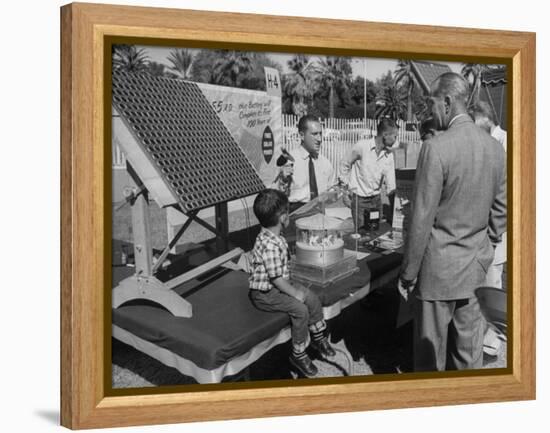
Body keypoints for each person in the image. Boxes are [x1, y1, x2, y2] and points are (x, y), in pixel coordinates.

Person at [398, 72, 507, 372]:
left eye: (432, 104)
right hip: (474, 270)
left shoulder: (436, 147)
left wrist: (408, 274)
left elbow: (421, 218)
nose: (430, 112)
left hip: (436, 274)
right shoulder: (495, 148)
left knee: (430, 361)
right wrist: (485, 252)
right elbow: (500, 211)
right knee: (467, 359)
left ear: (446, 102)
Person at [248, 189, 335, 377]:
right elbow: (276, 279)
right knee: (300, 309)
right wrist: (295, 294)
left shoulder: (273, 236)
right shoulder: (269, 245)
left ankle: (318, 337)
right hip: (265, 294)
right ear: (282, 217)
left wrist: (300, 292)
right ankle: (298, 353)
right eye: (288, 212)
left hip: (281, 284)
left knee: (311, 297)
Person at [339, 117, 397, 232]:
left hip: (376, 200)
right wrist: (345, 191)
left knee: (375, 233)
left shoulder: (389, 155)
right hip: (359, 200)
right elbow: (345, 164)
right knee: (361, 236)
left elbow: (391, 184)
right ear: (385, 135)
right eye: (395, 136)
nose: (396, 140)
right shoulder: (362, 146)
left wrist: (395, 212)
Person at [278, 115, 336, 213]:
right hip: (296, 214)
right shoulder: (288, 160)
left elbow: (332, 194)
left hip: (320, 215)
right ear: (301, 135)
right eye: (314, 134)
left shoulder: (326, 164)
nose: (319, 139)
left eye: (320, 134)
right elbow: (276, 196)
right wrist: (283, 180)